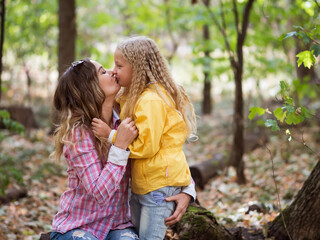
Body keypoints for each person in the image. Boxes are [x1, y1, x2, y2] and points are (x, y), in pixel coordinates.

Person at [50, 58, 195, 240]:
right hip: (78, 226)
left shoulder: (127, 117)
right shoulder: (78, 134)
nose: (112, 72)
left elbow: (166, 151)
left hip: (118, 225)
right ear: (88, 87)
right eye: (102, 72)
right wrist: (120, 145)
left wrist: (188, 190)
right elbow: (99, 193)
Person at [92, 36, 197, 240]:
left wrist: (111, 135)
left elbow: (147, 146)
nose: (113, 70)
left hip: (158, 186)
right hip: (144, 186)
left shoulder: (150, 100)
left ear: (138, 68)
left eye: (119, 65)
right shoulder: (136, 97)